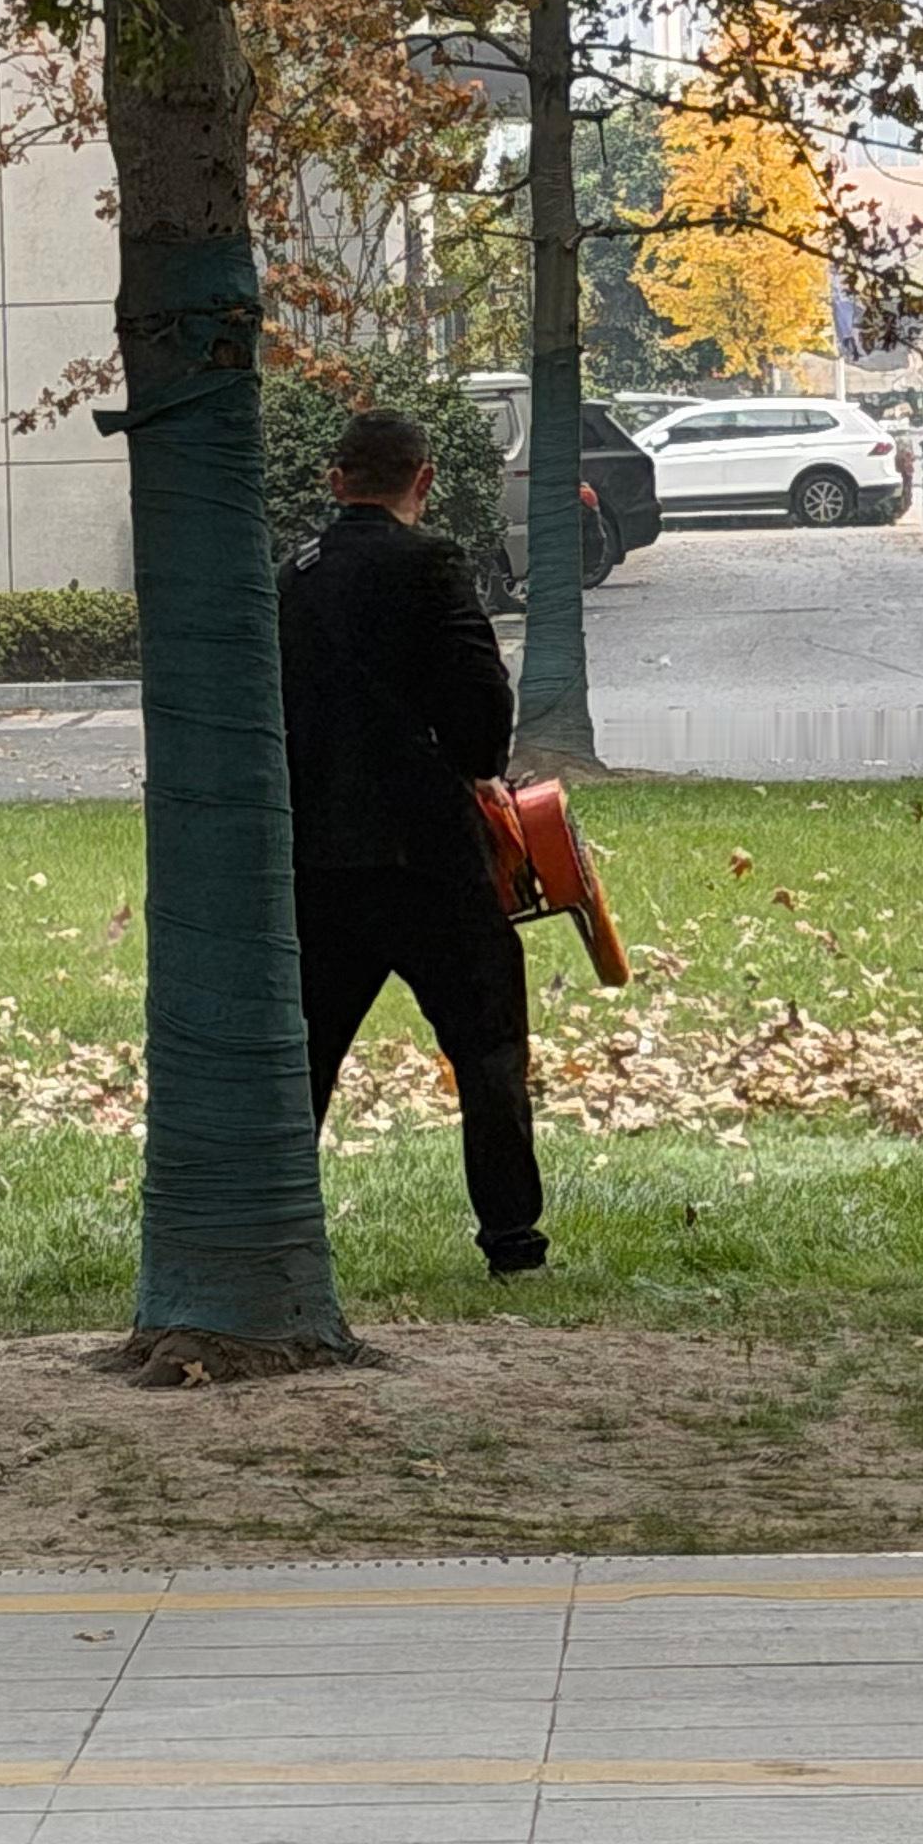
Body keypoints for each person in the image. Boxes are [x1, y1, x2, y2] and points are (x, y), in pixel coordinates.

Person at [276, 404, 549, 1275]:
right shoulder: (431, 563)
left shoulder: (292, 577)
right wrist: (476, 764)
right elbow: (481, 699)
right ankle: (512, 1239)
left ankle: (276, 1232)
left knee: (305, 1058)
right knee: (488, 1046)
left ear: (336, 481)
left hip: (318, 859)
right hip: (430, 854)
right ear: (423, 480)